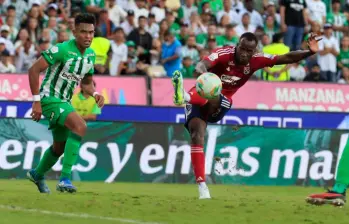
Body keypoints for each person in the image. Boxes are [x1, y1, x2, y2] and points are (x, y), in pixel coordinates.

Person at [171, 32, 321, 199]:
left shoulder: (258, 59)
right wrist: (202, 73)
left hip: (221, 101)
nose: (244, 53)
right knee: (196, 135)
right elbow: (202, 64)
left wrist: (309, 52)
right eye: (242, 48)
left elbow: (285, 58)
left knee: (215, 90)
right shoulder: (224, 53)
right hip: (201, 94)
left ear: (254, 51)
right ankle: (202, 188)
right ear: (237, 45)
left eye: (249, 51)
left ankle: (184, 97)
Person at [26, 13, 105, 194]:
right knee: (80, 126)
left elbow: (86, 83)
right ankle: (65, 179)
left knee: (59, 147)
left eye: (91, 32)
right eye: (83, 32)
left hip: (64, 101)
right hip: (49, 98)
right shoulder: (62, 49)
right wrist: (36, 101)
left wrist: (95, 93)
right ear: (74, 31)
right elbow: (33, 70)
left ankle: (37, 174)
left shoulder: (91, 55)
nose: (88, 36)